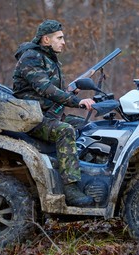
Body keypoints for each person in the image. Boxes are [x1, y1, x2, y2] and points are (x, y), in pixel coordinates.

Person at [12, 19, 94, 207]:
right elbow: (46, 89)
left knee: (87, 127)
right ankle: (70, 188)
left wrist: (70, 92)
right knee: (65, 131)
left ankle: (87, 174)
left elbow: (52, 92)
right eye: (59, 38)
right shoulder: (31, 57)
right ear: (46, 40)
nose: (63, 42)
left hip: (46, 115)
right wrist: (77, 101)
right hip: (32, 120)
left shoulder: (48, 58)